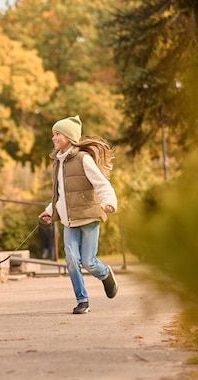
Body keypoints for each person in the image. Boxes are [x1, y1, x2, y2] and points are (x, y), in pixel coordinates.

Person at [38, 115, 118, 314]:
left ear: (68, 137)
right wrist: (50, 211)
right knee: (72, 261)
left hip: (89, 215)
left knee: (89, 262)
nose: (53, 138)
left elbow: (101, 184)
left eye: (57, 134)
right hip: (68, 220)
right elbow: (60, 194)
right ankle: (82, 300)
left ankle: (105, 274)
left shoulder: (84, 159)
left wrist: (109, 202)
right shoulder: (57, 162)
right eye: (53, 134)